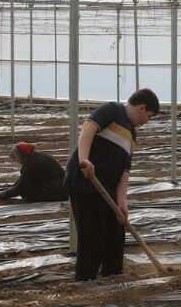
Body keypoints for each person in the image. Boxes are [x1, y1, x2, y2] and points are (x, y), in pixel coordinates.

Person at [64, 88, 161, 281]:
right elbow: (89, 127)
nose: (146, 121)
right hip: (86, 183)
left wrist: (121, 202)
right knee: (92, 236)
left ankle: (113, 277)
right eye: (149, 116)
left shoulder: (131, 134)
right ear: (142, 108)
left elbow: (125, 171)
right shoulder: (112, 110)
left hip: (108, 190)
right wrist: (84, 160)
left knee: (115, 236)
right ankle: (85, 279)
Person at [0, 142, 69, 202]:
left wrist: (5, 194)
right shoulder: (38, 156)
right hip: (64, 186)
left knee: (26, 192)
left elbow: (21, 186)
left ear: (20, 156)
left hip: (57, 191)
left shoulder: (31, 164)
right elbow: (22, 178)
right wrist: (11, 188)